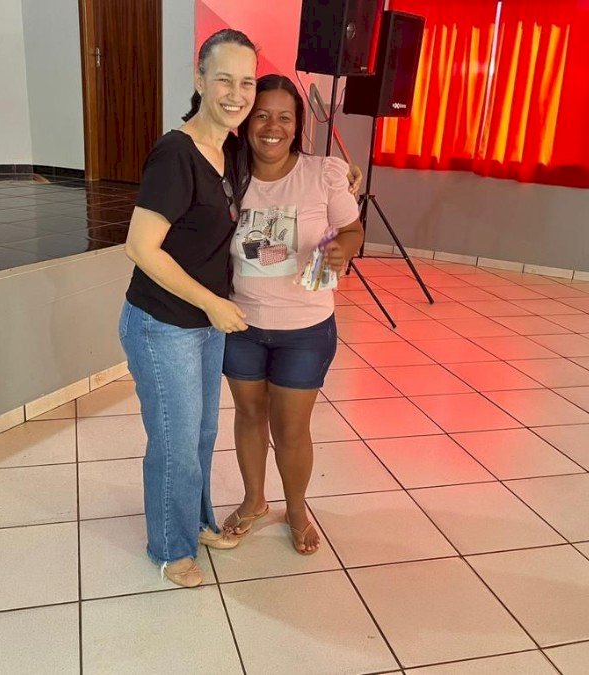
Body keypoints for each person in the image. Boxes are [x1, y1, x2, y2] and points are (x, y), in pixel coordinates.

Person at [119, 29, 258, 588]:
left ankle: (195, 522)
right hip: (163, 325)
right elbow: (139, 247)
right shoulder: (175, 154)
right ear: (199, 80)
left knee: (200, 435)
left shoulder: (229, 150)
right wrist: (211, 303)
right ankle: (170, 547)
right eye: (224, 79)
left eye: (246, 82)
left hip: (204, 323)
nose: (236, 94)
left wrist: (339, 174)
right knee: (175, 442)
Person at [221, 75, 365, 555]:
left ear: (297, 124)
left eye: (284, 117)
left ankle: (297, 509)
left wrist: (342, 250)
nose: (272, 127)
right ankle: (254, 501)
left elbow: (352, 229)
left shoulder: (323, 173)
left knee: (290, 429)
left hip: (305, 328)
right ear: (246, 121)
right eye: (261, 115)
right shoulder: (228, 175)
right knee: (248, 415)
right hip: (241, 324)